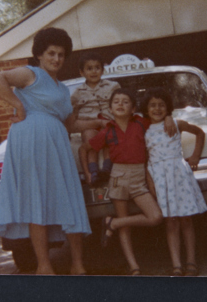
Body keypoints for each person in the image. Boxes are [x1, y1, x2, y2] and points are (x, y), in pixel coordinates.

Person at [0, 27, 102, 275]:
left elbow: (70, 124)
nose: (57, 59)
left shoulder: (62, 89)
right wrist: (18, 105)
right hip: (29, 140)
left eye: (61, 54)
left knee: (69, 198)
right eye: (51, 53)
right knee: (35, 199)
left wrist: (98, 123)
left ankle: (77, 264)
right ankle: (44, 265)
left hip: (56, 142)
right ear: (40, 54)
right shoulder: (31, 74)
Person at [78, 88, 175, 276]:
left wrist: (169, 117)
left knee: (155, 217)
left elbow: (159, 120)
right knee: (127, 227)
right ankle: (133, 266)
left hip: (139, 178)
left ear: (133, 108)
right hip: (118, 177)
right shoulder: (107, 131)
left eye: (125, 101)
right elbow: (84, 148)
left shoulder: (141, 123)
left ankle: (112, 223)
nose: (120, 104)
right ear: (110, 108)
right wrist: (88, 173)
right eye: (116, 102)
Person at [140, 88, 207, 276]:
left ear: (168, 108)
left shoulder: (176, 124)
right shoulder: (144, 130)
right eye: (152, 105)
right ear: (146, 109)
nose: (157, 108)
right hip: (160, 178)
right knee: (171, 222)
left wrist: (195, 156)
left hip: (179, 175)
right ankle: (176, 265)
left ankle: (191, 262)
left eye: (161, 105)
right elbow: (145, 159)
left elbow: (200, 132)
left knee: (186, 220)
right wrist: (150, 181)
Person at [71, 52, 121, 186]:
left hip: (108, 122)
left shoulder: (113, 86)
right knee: (90, 140)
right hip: (89, 125)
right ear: (82, 72)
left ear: (102, 70)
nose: (94, 71)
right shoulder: (77, 93)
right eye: (89, 68)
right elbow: (73, 115)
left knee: (109, 139)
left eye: (97, 68)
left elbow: (121, 105)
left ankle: (107, 169)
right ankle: (93, 172)